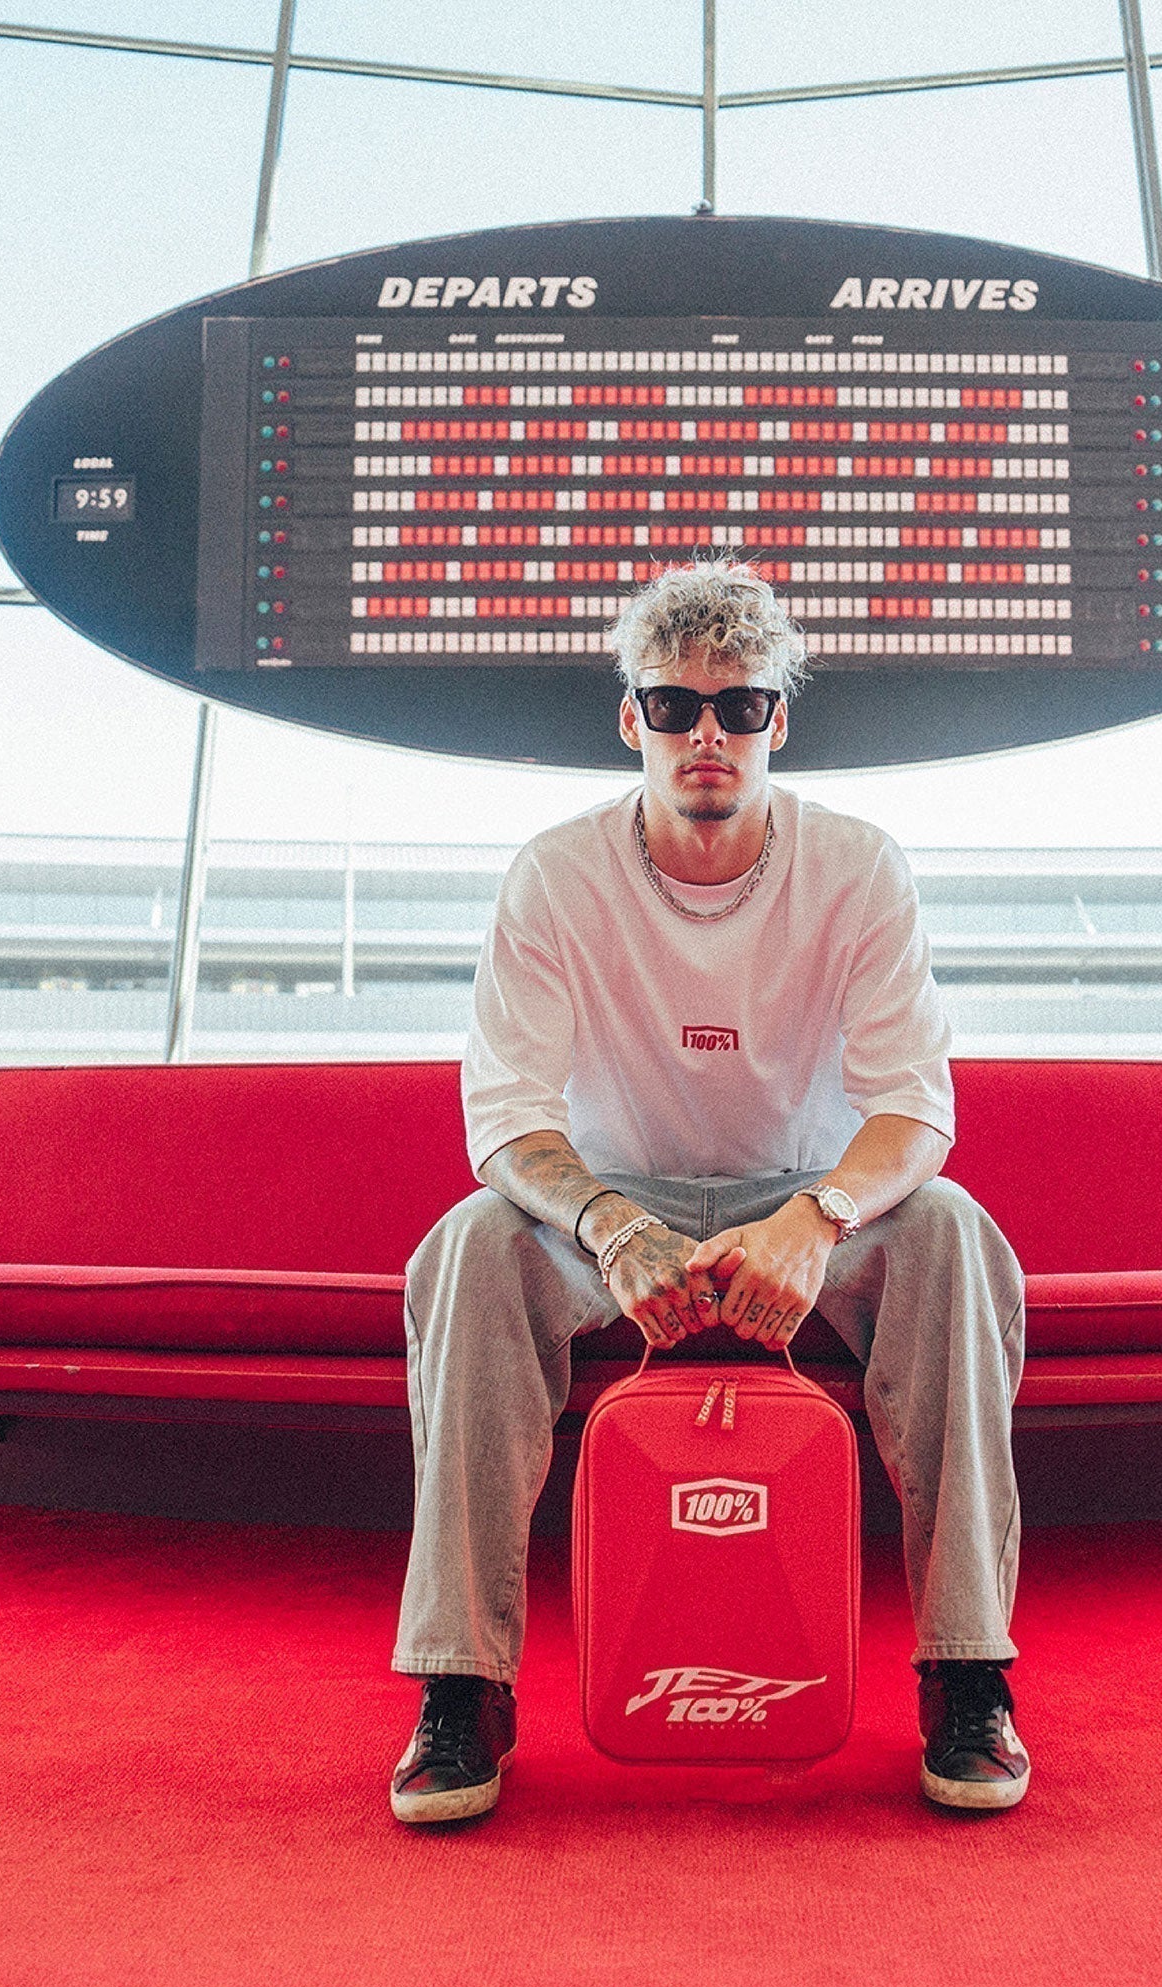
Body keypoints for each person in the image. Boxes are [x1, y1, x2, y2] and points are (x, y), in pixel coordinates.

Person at [389, 559, 1029, 1824]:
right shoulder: (556, 873)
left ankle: (969, 1667)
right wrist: (609, 1222)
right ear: (631, 717)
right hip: (612, 1201)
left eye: (738, 707)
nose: (707, 736)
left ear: (776, 719)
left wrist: (817, 1218)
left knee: (955, 1231)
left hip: (806, 1196)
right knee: (468, 1244)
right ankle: (462, 1682)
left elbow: (915, 1108)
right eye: (675, 706)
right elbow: (508, 1118)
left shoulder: (856, 866)